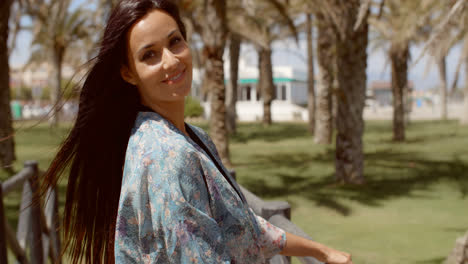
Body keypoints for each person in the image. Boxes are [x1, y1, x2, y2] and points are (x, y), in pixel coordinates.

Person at [41, 0, 353, 263]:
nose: (170, 60)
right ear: (128, 73)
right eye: (149, 55)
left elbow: (244, 230)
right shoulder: (169, 156)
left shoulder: (190, 137)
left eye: (175, 41)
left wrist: (321, 251)